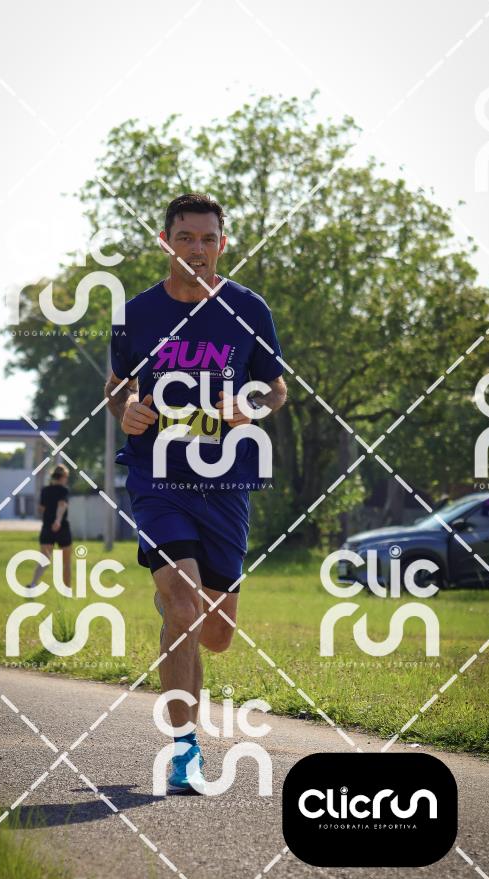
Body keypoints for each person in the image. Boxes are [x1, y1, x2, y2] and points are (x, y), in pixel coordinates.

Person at [105, 192, 287, 792]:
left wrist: (251, 404)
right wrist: (128, 408)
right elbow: (118, 386)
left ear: (222, 245)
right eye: (185, 237)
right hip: (157, 479)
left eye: (208, 239)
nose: (197, 249)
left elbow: (276, 387)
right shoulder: (135, 314)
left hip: (226, 484)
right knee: (184, 606)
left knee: (217, 634)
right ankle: (184, 751)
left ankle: (175, 607)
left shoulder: (248, 309)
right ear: (166, 242)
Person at [28, 463, 72, 590]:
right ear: (63, 476)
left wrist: (49, 512)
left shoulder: (45, 490)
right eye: (66, 477)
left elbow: (41, 508)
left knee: (44, 559)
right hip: (62, 527)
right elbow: (62, 505)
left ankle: (33, 584)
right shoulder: (64, 490)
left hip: (47, 527)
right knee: (66, 562)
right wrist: (58, 520)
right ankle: (67, 591)